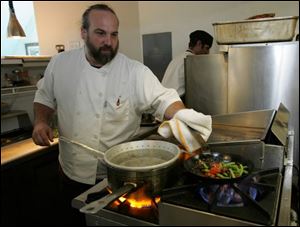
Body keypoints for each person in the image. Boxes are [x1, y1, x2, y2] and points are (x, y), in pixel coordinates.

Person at [32, 4, 211, 225]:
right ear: (83, 32)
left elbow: (164, 99)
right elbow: (44, 97)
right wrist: (40, 122)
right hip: (71, 172)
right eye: (100, 33)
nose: (109, 41)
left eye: (114, 34)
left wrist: (185, 117)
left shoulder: (134, 71)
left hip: (117, 179)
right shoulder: (60, 64)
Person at [161, 30, 213, 101]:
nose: (207, 53)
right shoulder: (192, 60)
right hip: (174, 100)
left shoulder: (179, 57)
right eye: (207, 48)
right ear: (199, 44)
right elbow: (200, 87)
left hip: (165, 99)